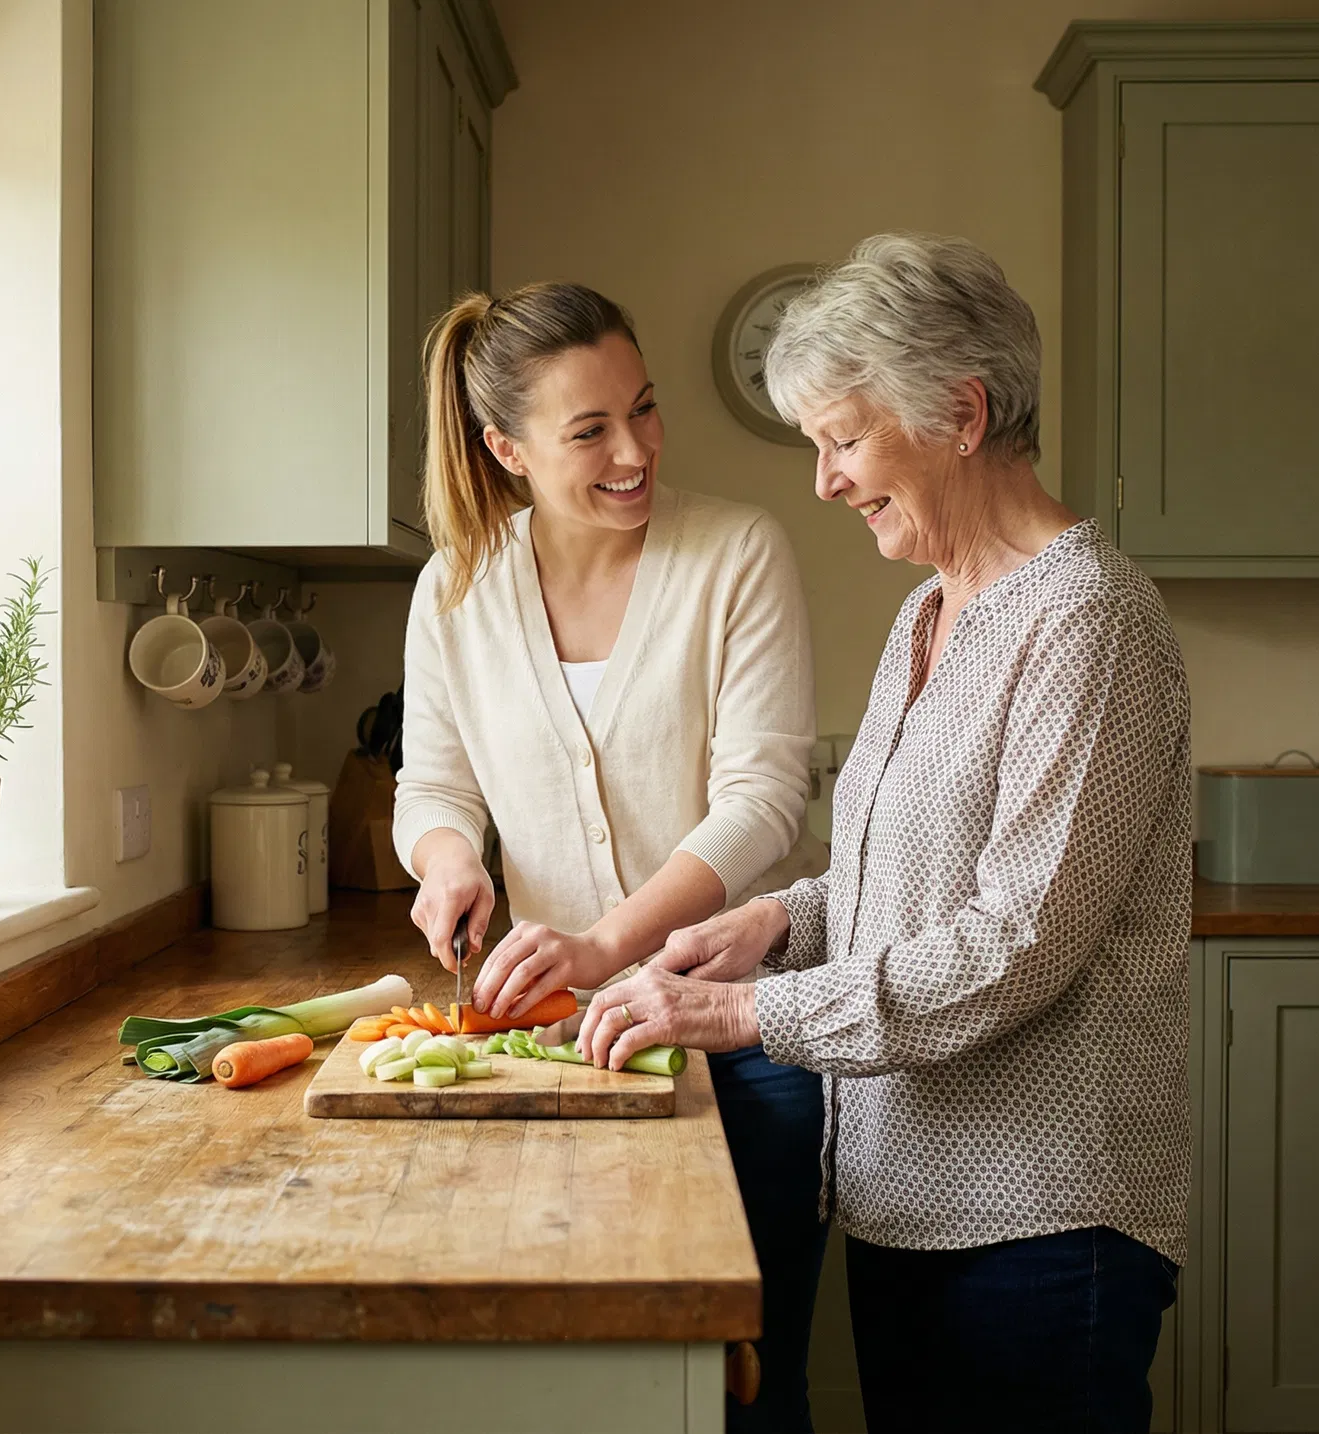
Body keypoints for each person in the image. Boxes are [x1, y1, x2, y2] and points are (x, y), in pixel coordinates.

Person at [580, 234, 1193, 1434]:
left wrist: (744, 1014)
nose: (825, 480)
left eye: (843, 439)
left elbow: (1016, 941)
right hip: (907, 1192)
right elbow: (894, 872)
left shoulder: (1088, 621)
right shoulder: (929, 611)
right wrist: (771, 922)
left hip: (1042, 1222)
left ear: (961, 414)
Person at [394, 282, 830, 1433]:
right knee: (579, 1377)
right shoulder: (454, 591)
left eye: (643, 409)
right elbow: (432, 788)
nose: (634, 450)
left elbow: (763, 801)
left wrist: (606, 943)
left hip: (752, 1038)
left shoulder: (735, 550)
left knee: (749, 1379)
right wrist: (449, 865)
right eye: (590, 430)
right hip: (562, 1048)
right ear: (507, 449)